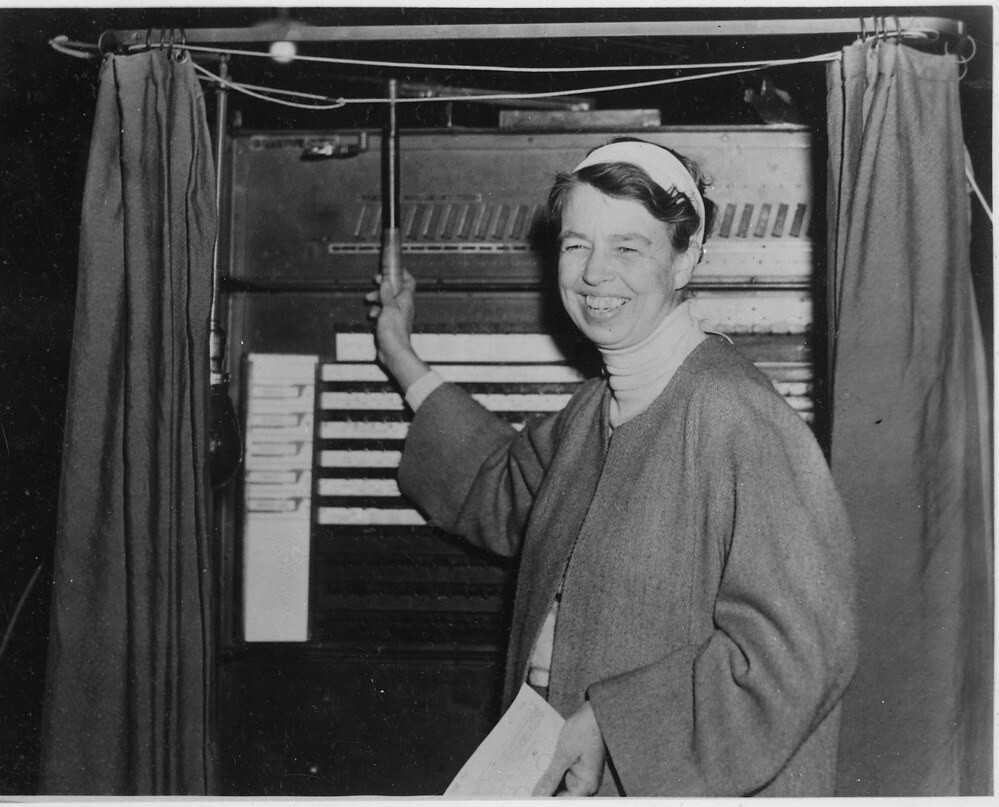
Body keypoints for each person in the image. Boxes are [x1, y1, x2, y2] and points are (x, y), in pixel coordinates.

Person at [366, 138, 857, 797]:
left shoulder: (737, 416)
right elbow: (498, 487)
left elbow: (794, 656)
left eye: (628, 248)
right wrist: (401, 356)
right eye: (576, 244)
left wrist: (614, 722)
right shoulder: (594, 407)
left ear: (685, 259)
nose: (595, 274)